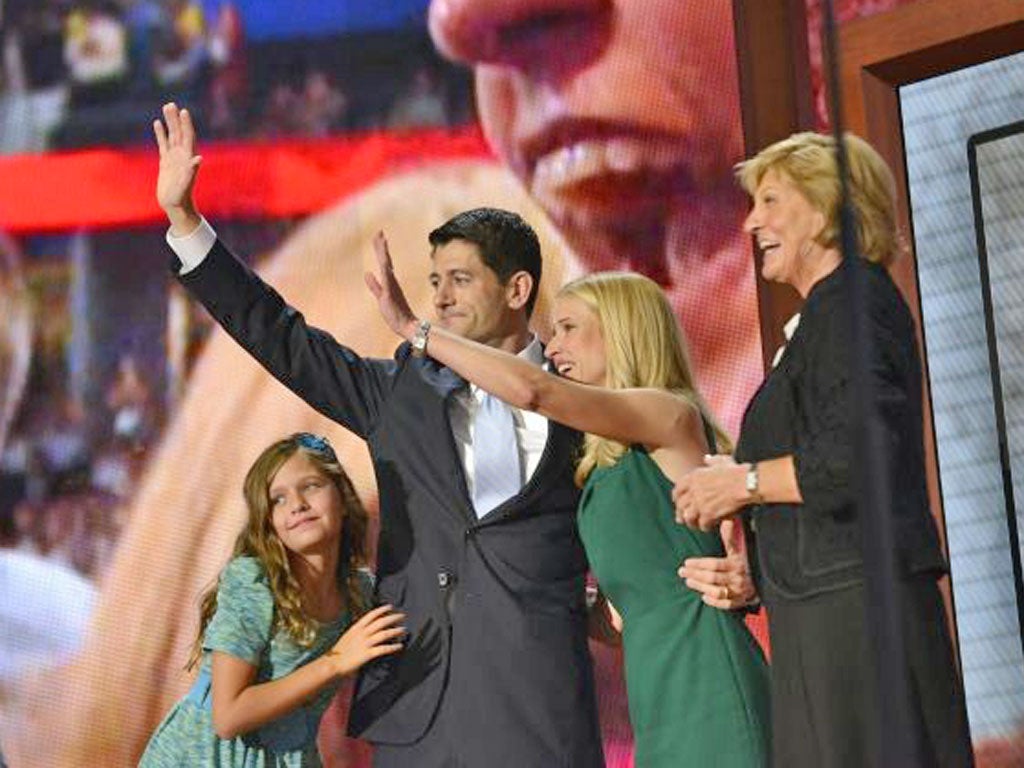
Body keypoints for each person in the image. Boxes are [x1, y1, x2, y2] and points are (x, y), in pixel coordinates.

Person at [153, 102, 608, 767]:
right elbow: (279, 336)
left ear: (517, 289)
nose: (440, 300)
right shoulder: (396, 394)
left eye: (459, 281)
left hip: (537, 717)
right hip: (418, 720)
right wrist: (187, 225)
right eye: (433, 283)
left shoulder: (586, 404)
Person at [367, 236, 771, 766]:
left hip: (707, 677)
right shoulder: (600, 467)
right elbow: (618, 615)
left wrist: (416, 331)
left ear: (623, 332)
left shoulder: (669, 415)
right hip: (654, 692)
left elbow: (536, 392)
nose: (552, 348)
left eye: (568, 329)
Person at [673, 132, 973, 767]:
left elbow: (859, 457)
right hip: (824, 615)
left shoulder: (855, 306)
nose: (752, 221)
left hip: (859, 623)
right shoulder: (826, 317)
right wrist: (759, 568)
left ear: (828, 206)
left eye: (771, 200)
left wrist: (743, 484)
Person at [139, 432, 405, 767]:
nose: (297, 505)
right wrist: (335, 661)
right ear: (268, 523)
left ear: (342, 495)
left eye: (310, 486)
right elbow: (228, 717)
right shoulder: (254, 586)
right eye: (277, 499)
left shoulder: (359, 592)